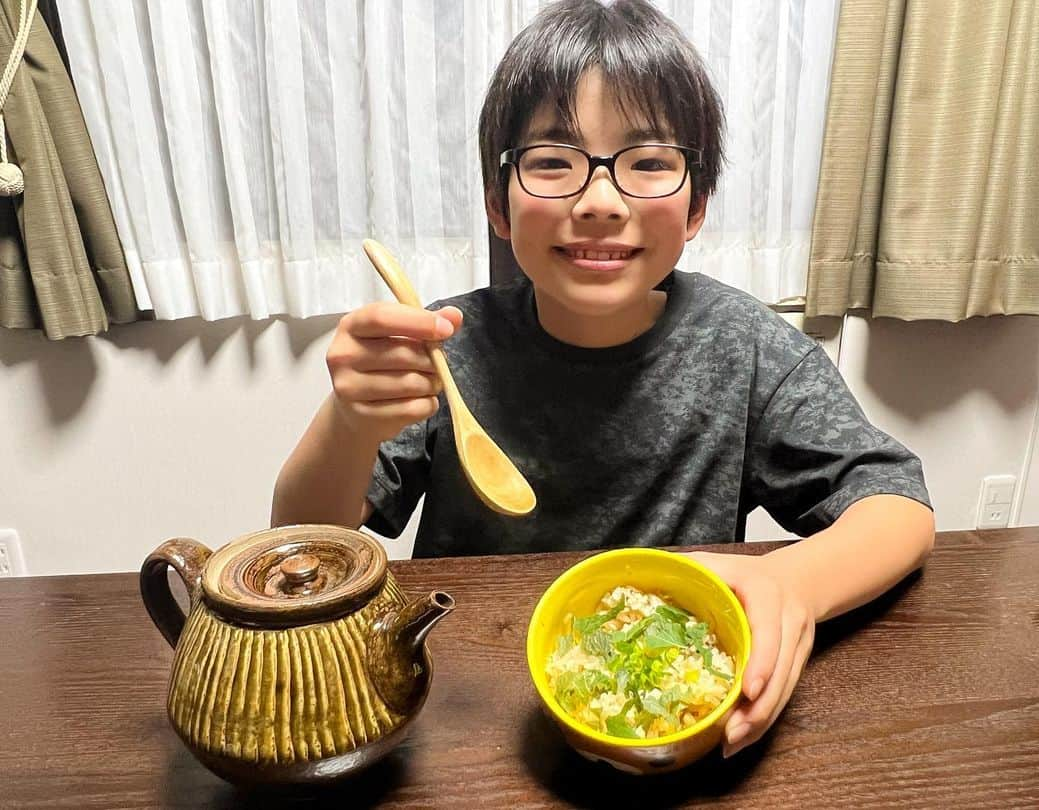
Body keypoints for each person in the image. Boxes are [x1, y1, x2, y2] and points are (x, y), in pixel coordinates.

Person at [272, 0, 935, 759]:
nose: (599, 201)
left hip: (661, 714)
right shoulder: (446, 344)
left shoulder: (746, 347)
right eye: (553, 162)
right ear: (498, 202)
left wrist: (793, 583)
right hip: (460, 708)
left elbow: (898, 507)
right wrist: (350, 420)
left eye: (648, 163)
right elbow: (303, 536)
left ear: (696, 208)